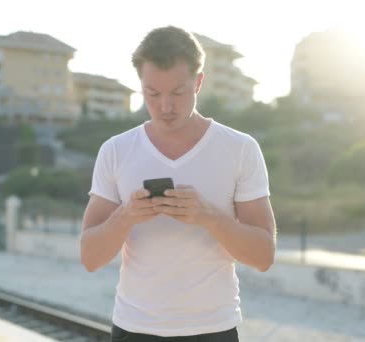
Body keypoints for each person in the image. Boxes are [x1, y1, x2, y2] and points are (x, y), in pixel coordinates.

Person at [80, 26, 276, 341]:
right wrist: (127, 215)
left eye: (178, 92)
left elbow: (263, 256)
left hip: (213, 330)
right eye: (153, 94)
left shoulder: (240, 148)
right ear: (141, 87)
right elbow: (90, 257)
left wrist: (209, 217)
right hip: (134, 329)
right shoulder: (116, 150)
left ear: (198, 82)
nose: (166, 106)